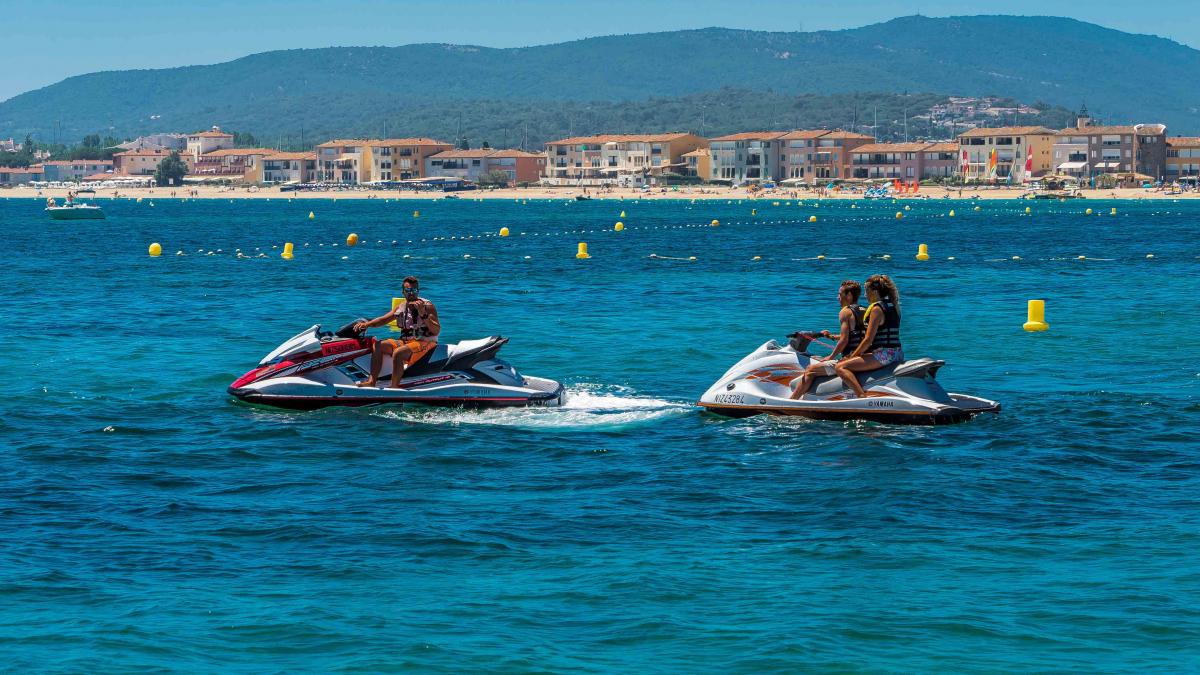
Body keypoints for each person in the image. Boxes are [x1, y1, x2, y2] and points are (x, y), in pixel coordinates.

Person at [354, 276, 441, 388]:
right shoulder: (401, 307)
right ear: (403, 292)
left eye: (414, 290)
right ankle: (372, 381)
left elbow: (436, 330)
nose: (411, 293)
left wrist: (422, 314)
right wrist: (366, 325)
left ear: (418, 291)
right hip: (406, 342)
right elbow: (383, 320)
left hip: (425, 343)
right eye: (408, 291)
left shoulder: (427, 306)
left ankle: (394, 387)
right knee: (378, 345)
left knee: (398, 352)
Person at [790, 280, 865, 400]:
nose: (838, 297)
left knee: (810, 370)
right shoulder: (864, 310)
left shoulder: (845, 312)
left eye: (840, 294)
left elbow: (844, 340)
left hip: (849, 358)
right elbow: (858, 334)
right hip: (862, 357)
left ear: (849, 295)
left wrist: (830, 357)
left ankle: (792, 401)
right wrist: (833, 337)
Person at [834, 274, 902, 398]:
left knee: (840, 367)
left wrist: (852, 357)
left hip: (884, 355)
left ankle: (861, 396)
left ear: (875, 292)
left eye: (867, 291)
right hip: (897, 352)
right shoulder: (894, 305)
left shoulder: (877, 309)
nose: (865, 295)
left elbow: (868, 340)